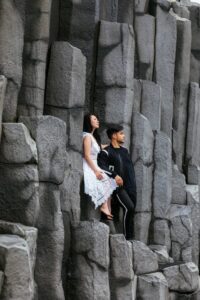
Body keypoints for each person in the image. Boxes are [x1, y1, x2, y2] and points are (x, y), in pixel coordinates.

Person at [97, 124, 137, 240]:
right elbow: (101, 166)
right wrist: (114, 176)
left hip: (130, 187)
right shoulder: (106, 152)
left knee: (131, 210)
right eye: (121, 133)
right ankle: (127, 239)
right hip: (116, 188)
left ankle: (130, 239)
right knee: (129, 208)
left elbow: (129, 170)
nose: (124, 136)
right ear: (114, 136)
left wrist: (132, 186)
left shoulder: (125, 151)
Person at [82, 114, 118, 219]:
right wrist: (96, 171)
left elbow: (99, 147)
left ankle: (106, 208)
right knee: (104, 178)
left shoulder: (93, 137)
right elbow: (87, 155)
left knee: (110, 179)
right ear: (89, 122)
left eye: (97, 119)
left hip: (94, 164)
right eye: (94, 119)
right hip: (89, 164)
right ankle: (104, 206)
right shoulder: (87, 136)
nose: (97, 121)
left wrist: (112, 145)